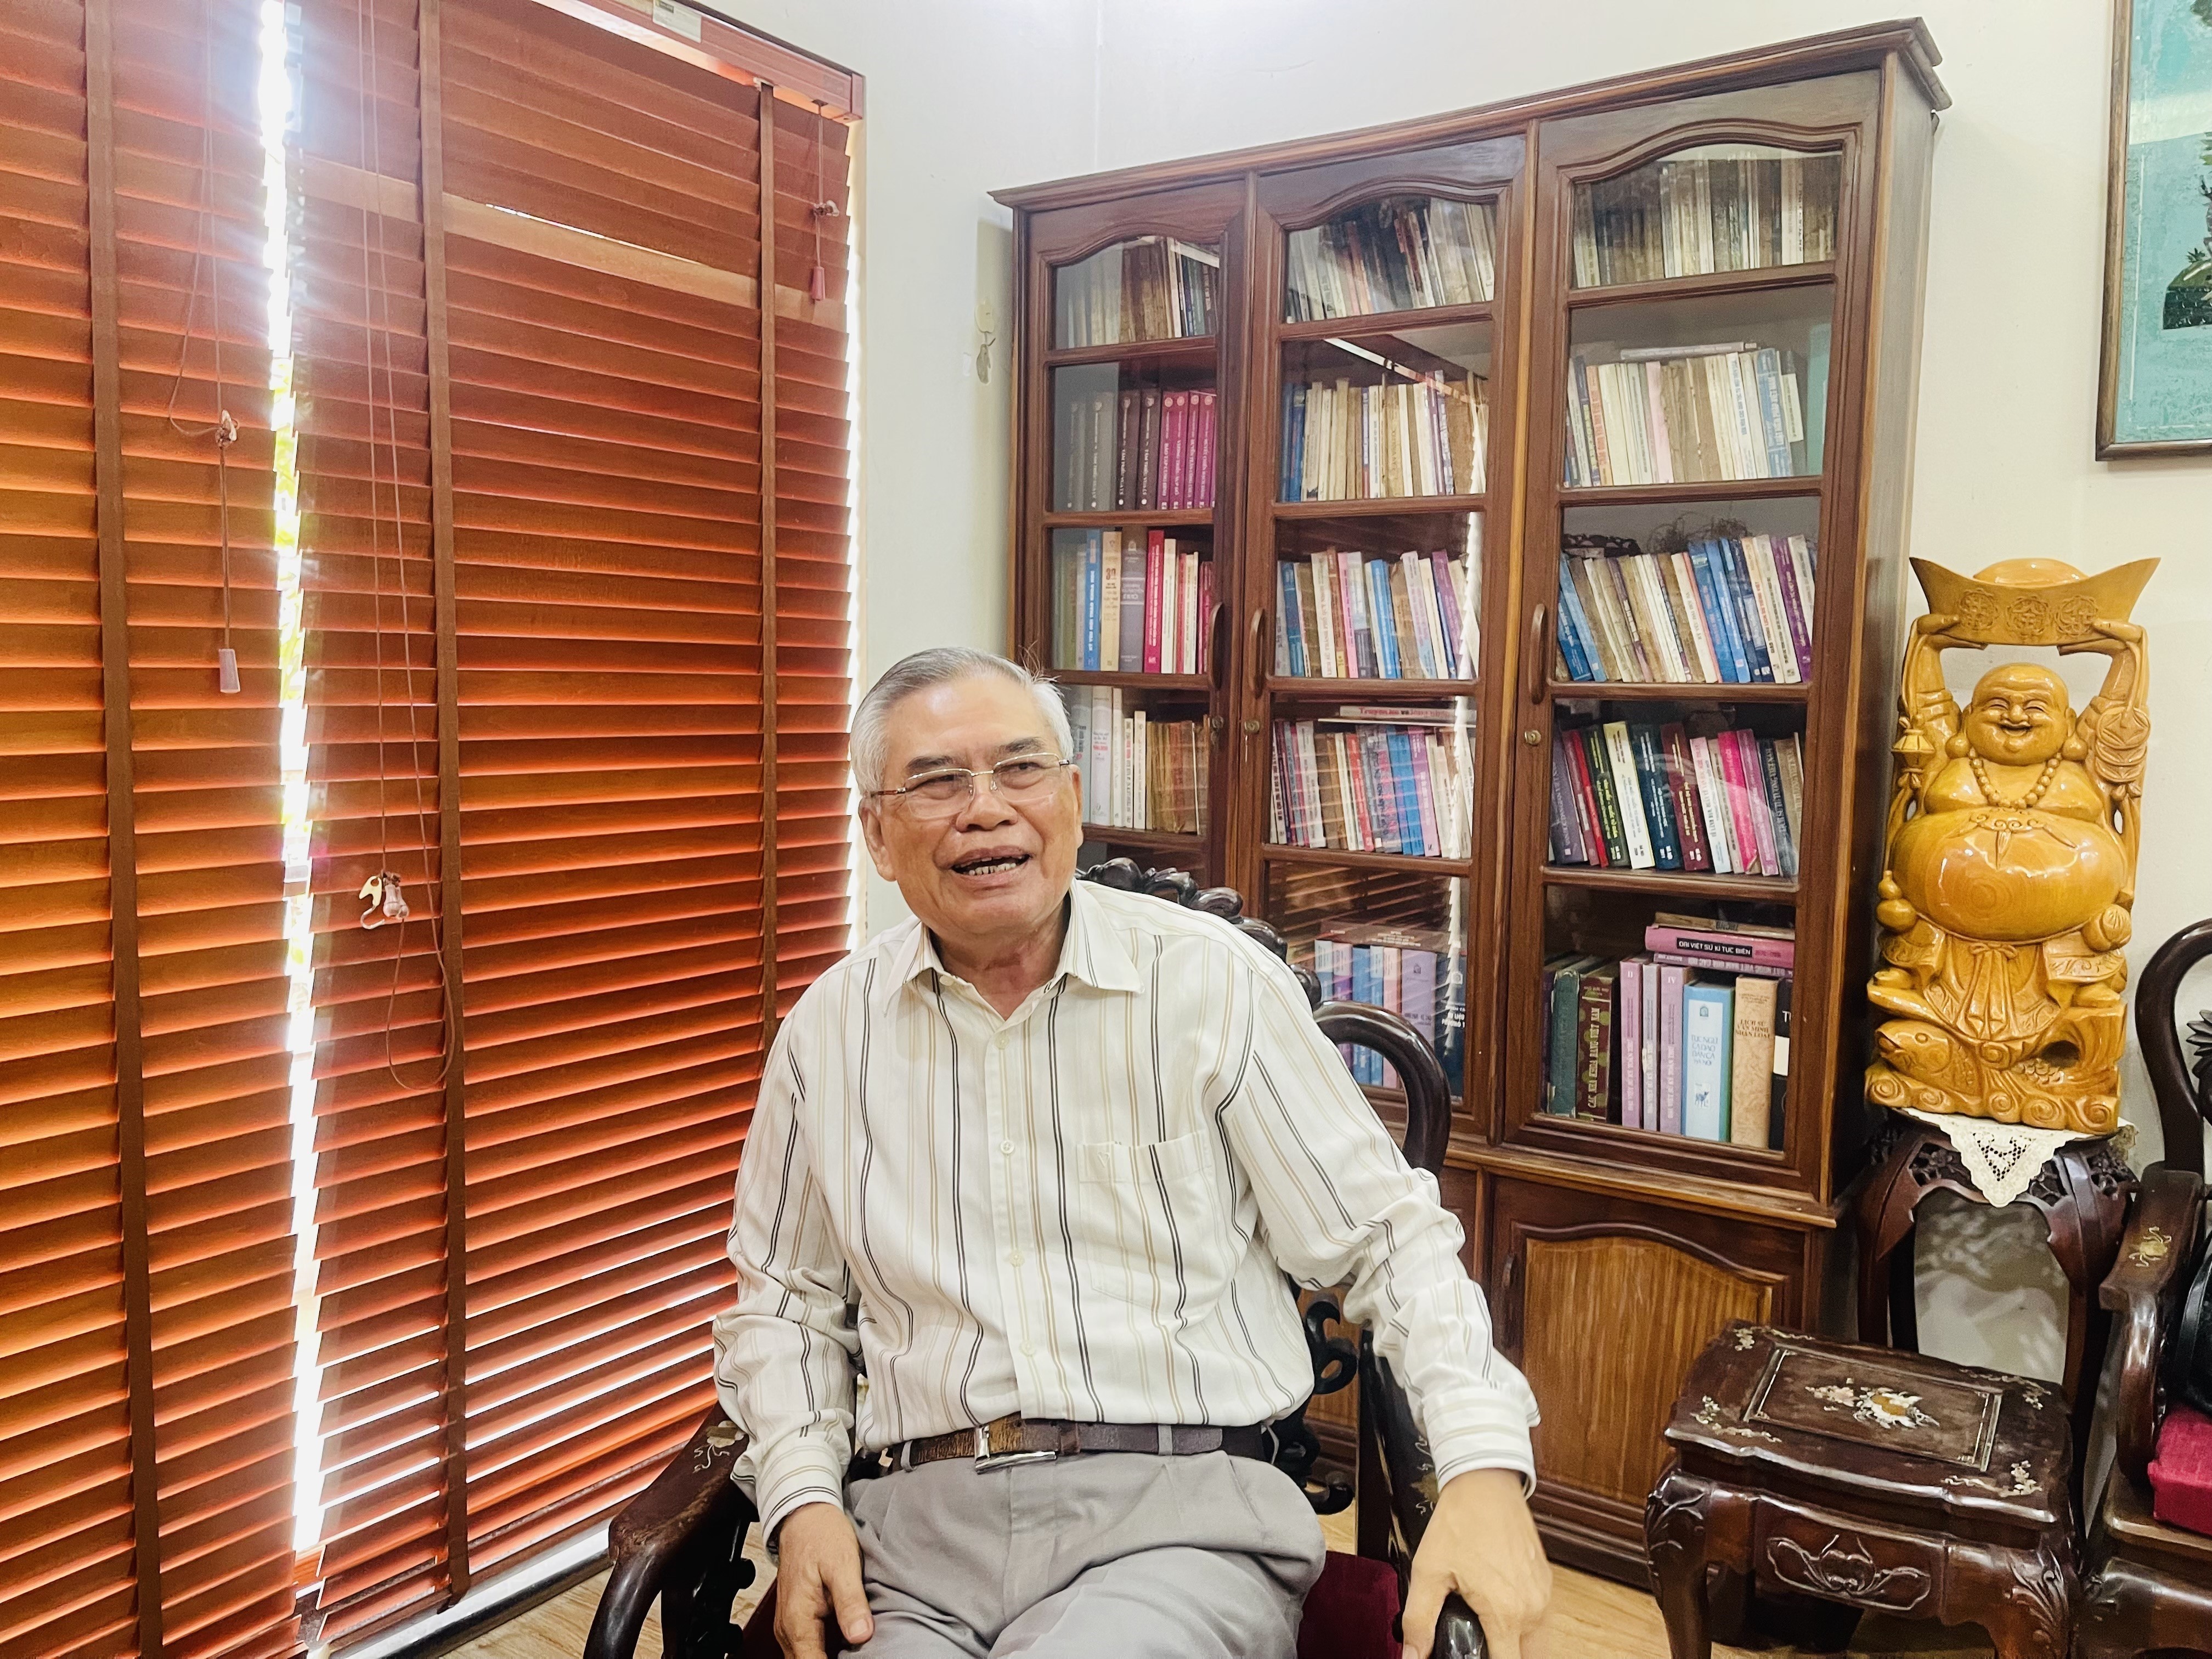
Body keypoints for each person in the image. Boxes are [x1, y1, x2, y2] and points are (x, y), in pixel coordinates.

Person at [713, 647, 1549, 1659]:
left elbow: (1388, 1241)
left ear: (1071, 800)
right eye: (936, 783)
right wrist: (803, 1501)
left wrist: (1480, 1466)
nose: (986, 809)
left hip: (1179, 1518)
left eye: (1021, 769)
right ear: (877, 835)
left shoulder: (1212, 987)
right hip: (914, 1537)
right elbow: (785, 1303)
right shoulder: (827, 1035)